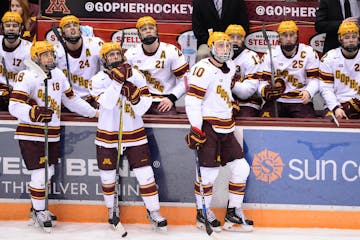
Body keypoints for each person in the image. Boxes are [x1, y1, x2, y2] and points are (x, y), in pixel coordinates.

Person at [8, 41, 98, 230]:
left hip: (53, 134)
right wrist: (33, 113)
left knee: (48, 173)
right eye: (45, 54)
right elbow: (14, 106)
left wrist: (93, 113)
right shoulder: (26, 75)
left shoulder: (58, 74)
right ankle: (40, 211)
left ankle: (36, 208)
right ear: (36, 58)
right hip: (31, 134)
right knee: (40, 174)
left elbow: (71, 100)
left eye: (51, 54)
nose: (50, 57)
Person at [90, 42, 168, 231]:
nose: (115, 57)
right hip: (108, 134)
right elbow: (107, 104)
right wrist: (117, 83)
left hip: (134, 133)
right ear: (104, 60)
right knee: (108, 177)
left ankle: (153, 211)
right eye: (111, 55)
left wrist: (135, 98)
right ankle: (112, 210)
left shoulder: (137, 76)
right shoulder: (98, 80)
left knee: (146, 175)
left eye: (118, 54)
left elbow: (143, 108)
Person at [185, 32, 253, 233]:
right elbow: (192, 101)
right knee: (208, 175)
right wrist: (196, 128)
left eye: (227, 46)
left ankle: (233, 212)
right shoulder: (201, 69)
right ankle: (202, 212)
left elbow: (224, 90)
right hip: (208, 127)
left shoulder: (230, 66)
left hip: (227, 126)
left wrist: (231, 104)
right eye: (221, 45)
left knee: (241, 169)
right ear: (212, 47)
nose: (225, 49)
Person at [125, 16, 189, 115]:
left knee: (167, 125)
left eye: (151, 28)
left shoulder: (171, 51)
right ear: (139, 34)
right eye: (144, 29)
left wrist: (171, 98)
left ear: (156, 31)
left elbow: (185, 80)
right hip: (139, 101)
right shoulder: (131, 53)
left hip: (163, 101)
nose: (148, 31)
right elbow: (124, 81)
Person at [258, 20, 320, 118]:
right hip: (277, 100)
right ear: (279, 37)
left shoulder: (309, 52)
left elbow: (315, 80)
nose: (288, 38)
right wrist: (264, 90)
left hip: (300, 100)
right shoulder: (270, 54)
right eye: (284, 35)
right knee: (264, 124)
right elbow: (262, 82)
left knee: (308, 127)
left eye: (292, 35)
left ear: (297, 36)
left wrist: (309, 92)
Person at [54, 15, 104, 108]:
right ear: (62, 33)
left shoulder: (96, 44)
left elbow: (107, 71)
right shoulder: (56, 51)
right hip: (69, 100)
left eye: (75, 25)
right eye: (68, 26)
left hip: (94, 98)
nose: (72, 28)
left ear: (80, 29)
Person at [319, 21, 360, 119]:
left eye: (353, 37)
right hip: (336, 104)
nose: (351, 40)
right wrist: (336, 107)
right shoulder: (329, 58)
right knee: (330, 126)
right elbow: (325, 88)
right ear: (340, 39)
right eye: (347, 37)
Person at [225, 24, 262, 117]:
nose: (235, 40)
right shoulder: (220, 56)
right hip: (225, 101)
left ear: (243, 40)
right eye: (231, 37)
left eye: (239, 37)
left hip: (248, 103)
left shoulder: (251, 57)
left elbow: (247, 92)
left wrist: (231, 83)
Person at [0, 11, 32, 111]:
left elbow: (32, 79)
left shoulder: (28, 49)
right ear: (2, 28)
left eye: (15, 25)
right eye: (8, 25)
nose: (11, 28)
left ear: (21, 28)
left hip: (19, 93)